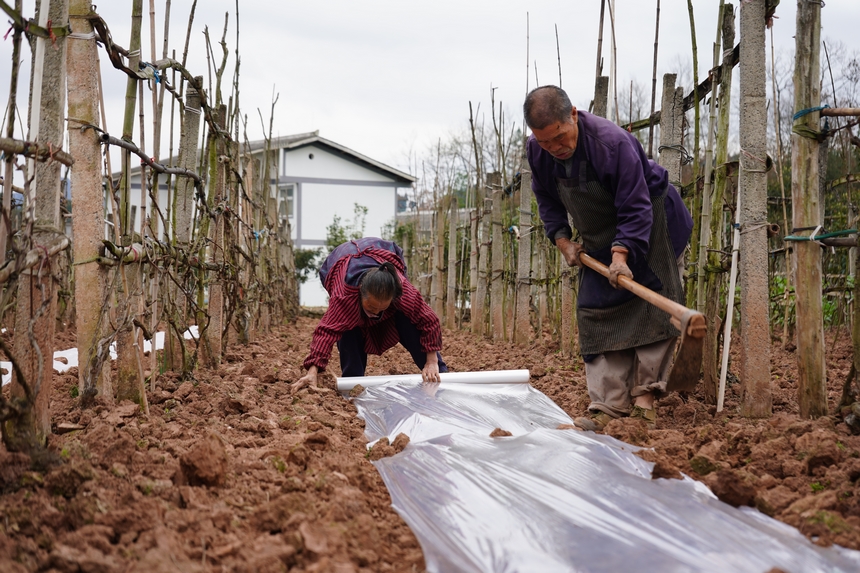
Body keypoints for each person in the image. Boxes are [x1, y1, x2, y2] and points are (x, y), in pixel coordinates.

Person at [524, 85, 693, 431]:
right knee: (597, 311)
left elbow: (635, 204)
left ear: (573, 115)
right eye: (544, 142)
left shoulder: (611, 143)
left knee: (654, 306)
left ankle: (645, 397)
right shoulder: (538, 153)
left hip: (652, 222)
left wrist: (621, 255)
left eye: (559, 138)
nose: (554, 148)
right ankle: (608, 404)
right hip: (600, 231)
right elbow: (547, 199)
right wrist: (562, 239)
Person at [297, 237, 447, 390]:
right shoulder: (344, 297)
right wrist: (313, 371)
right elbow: (326, 332)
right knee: (348, 331)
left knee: (408, 320)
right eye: (371, 308)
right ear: (361, 293)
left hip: (380, 261)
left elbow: (429, 320)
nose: (376, 313)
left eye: (382, 309)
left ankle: (441, 374)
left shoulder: (403, 292)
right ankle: (353, 384)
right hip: (343, 267)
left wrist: (432, 361)